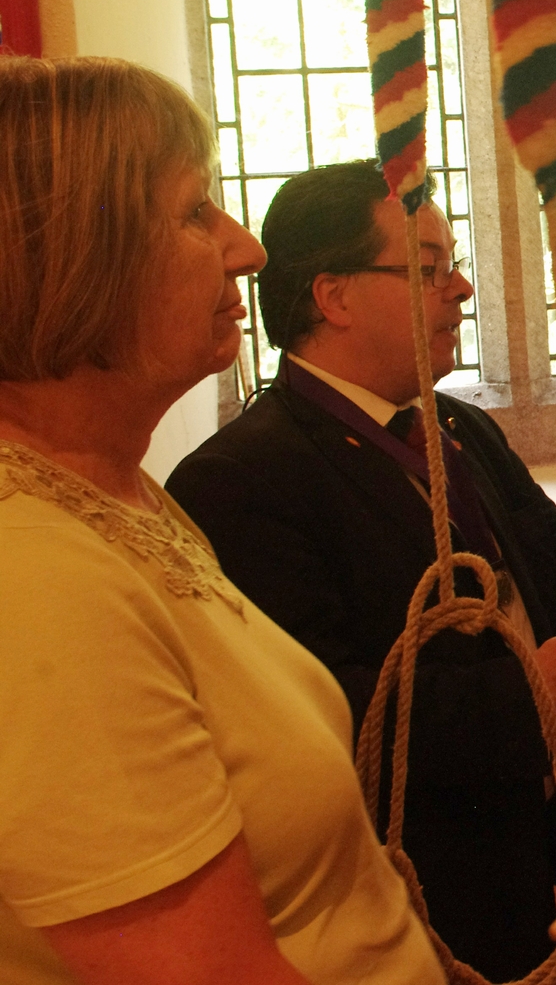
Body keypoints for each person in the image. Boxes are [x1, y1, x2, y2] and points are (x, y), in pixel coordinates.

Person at [165, 161, 556, 981]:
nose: (462, 288)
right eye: (429, 269)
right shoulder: (239, 481)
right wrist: (528, 694)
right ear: (335, 297)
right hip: (403, 891)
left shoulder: (456, 427)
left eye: (454, 264)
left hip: (521, 859)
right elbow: (321, 714)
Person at [0, 56, 443, 984]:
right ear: (77, 258)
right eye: (196, 211)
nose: (246, 249)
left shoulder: (115, 493)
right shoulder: (32, 580)